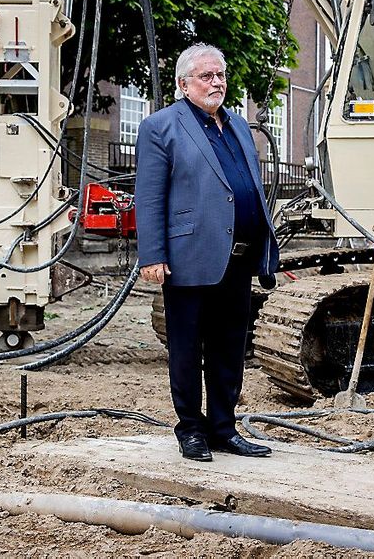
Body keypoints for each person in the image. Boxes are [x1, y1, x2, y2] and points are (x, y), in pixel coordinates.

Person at [135, 43, 280, 462]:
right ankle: (191, 430)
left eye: (221, 75)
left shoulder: (236, 124)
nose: (216, 82)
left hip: (238, 256)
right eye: (206, 76)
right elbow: (149, 196)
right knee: (186, 347)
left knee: (229, 346)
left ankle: (223, 427)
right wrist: (152, 255)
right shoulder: (161, 126)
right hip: (188, 255)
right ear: (184, 84)